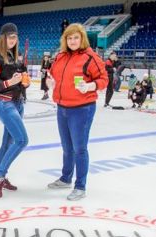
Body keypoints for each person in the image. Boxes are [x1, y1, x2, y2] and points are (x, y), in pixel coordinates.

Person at [46, 23, 108, 201]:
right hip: (62, 107)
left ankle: (80, 186)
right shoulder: (60, 56)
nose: (72, 41)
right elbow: (52, 75)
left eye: (76, 38)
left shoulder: (90, 57)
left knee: (79, 148)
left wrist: (90, 85)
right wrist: (50, 83)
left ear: (82, 39)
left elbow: (104, 79)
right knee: (67, 147)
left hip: (82, 109)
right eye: (69, 38)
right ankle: (66, 178)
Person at [0, 23, 30, 198]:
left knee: (8, 143)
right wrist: (9, 83)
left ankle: (1, 176)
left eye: (15, 37)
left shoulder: (14, 56)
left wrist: (24, 82)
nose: (13, 40)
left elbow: (21, 78)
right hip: (4, 104)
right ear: (2, 38)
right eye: (10, 37)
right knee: (22, 140)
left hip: (18, 102)